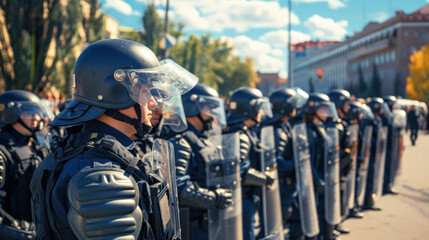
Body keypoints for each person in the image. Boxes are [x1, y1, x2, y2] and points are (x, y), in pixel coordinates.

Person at [30, 39, 198, 240]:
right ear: (116, 93)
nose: (153, 102)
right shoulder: (101, 175)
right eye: (146, 91)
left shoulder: (84, 150)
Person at [171, 84, 236, 239]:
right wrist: (214, 198)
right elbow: (178, 189)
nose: (213, 115)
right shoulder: (181, 142)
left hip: (209, 224)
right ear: (192, 108)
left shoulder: (201, 139)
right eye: (209, 109)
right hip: (192, 228)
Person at [0, 90, 54, 239]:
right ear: (10, 114)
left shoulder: (38, 145)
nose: (37, 118)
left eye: (36, 112)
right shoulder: (3, 152)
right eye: (29, 113)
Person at [224, 87, 275, 240]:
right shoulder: (240, 135)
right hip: (244, 199)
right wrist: (266, 178)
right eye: (258, 108)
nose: (261, 112)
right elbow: (241, 172)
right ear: (248, 110)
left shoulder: (240, 130)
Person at [303, 93, 340, 240]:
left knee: (322, 214)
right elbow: (306, 161)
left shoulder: (322, 128)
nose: (327, 113)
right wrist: (317, 180)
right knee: (312, 218)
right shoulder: (309, 131)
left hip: (323, 180)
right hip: (313, 182)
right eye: (323, 109)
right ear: (314, 110)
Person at [328, 89, 353, 235]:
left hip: (342, 169)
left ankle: (336, 223)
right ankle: (331, 226)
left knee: (340, 196)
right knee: (333, 197)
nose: (348, 107)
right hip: (334, 170)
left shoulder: (341, 123)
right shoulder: (333, 126)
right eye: (346, 103)